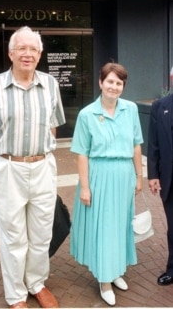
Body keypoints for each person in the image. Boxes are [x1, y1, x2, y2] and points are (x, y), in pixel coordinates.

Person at [0, 26, 65, 308]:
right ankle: (15, 295)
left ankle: (36, 282)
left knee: (41, 232)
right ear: (10, 53)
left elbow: (53, 127)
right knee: (13, 235)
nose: (27, 54)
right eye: (22, 48)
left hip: (42, 168)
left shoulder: (51, 85)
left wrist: (44, 155)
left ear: (40, 54)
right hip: (7, 168)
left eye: (33, 49)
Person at [70, 63, 143, 306]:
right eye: (109, 81)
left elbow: (135, 145)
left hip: (124, 176)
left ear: (123, 87)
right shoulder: (86, 114)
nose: (114, 86)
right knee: (103, 228)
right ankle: (104, 280)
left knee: (120, 225)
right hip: (99, 175)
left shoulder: (130, 110)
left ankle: (116, 271)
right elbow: (82, 153)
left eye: (118, 83)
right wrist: (86, 186)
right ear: (100, 83)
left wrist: (139, 176)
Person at [147, 93, 173, 286]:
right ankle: (172, 268)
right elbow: (153, 143)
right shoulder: (160, 106)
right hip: (169, 178)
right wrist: (153, 174)